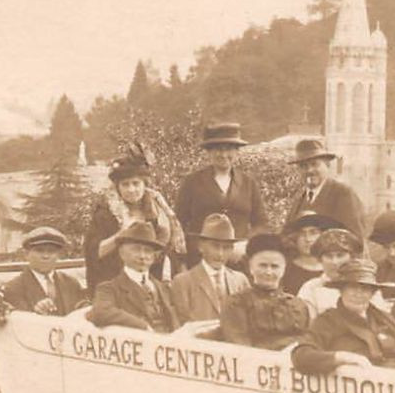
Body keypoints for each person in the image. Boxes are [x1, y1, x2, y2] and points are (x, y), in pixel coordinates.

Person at [84, 142, 185, 293]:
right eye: (125, 185)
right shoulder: (106, 213)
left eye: (136, 183)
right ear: (118, 187)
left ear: (145, 184)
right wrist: (121, 235)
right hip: (115, 281)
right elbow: (94, 252)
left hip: (153, 280)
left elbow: (170, 250)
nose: (132, 190)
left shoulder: (159, 211)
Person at [291, 259, 395, 375]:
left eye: (364, 289)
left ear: (372, 293)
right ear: (341, 290)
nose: (358, 293)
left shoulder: (384, 319)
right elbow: (301, 356)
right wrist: (342, 357)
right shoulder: (328, 321)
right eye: (352, 287)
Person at [174, 122, 267, 267]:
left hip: (239, 263)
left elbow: (261, 223)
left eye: (229, 149)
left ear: (237, 151)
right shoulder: (192, 182)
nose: (223, 155)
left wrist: (246, 245)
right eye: (218, 149)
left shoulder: (248, 183)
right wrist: (196, 250)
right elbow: (178, 224)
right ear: (209, 152)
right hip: (200, 262)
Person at [218, 233, 312, 349]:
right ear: (251, 267)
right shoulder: (237, 304)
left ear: (284, 269)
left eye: (275, 266)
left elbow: (309, 344)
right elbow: (240, 348)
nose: (268, 272)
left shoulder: (298, 305)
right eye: (263, 266)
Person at [89, 221, 179, 332]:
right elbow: (101, 312)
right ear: (121, 253)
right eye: (136, 249)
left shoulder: (163, 288)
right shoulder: (109, 289)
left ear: (153, 257)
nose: (142, 256)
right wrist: (143, 326)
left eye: (148, 251)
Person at [169, 213, 251, 323]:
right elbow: (180, 326)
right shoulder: (183, 282)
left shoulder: (240, 281)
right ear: (201, 246)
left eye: (226, 248)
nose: (220, 254)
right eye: (215, 246)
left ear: (232, 249)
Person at [284, 138, 367, 238]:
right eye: (303, 166)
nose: (309, 170)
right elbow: (286, 236)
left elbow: (355, 238)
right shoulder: (298, 200)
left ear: (327, 164)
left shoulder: (342, 194)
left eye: (314, 164)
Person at [298, 228, 388, 317]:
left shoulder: (367, 286)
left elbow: (382, 322)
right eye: (329, 256)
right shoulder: (311, 288)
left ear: (351, 258)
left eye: (340, 255)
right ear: (320, 260)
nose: (335, 262)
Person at [2, 226, 87, 315]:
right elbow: (17, 322)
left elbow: (81, 313)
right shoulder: (14, 288)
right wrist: (35, 313)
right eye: (39, 251)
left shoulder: (71, 283)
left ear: (59, 255)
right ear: (26, 254)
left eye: (51, 251)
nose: (46, 256)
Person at [281, 210, 342, 295]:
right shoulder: (284, 268)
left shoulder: (333, 269)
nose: (308, 239)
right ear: (295, 237)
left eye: (313, 233)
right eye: (302, 233)